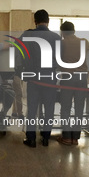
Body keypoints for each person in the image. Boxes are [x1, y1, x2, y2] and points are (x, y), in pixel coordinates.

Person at [17, 9, 62, 147]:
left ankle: (31, 138)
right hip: (50, 77)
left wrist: (20, 71)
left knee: (32, 108)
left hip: (33, 77)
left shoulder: (27, 35)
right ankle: (46, 138)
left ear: (35, 21)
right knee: (49, 108)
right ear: (48, 21)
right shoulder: (57, 37)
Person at [56, 21, 89, 146]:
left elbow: (58, 61)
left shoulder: (62, 43)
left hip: (68, 78)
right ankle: (75, 138)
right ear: (74, 31)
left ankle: (66, 137)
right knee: (79, 108)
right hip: (82, 78)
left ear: (62, 32)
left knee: (65, 108)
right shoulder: (84, 42)